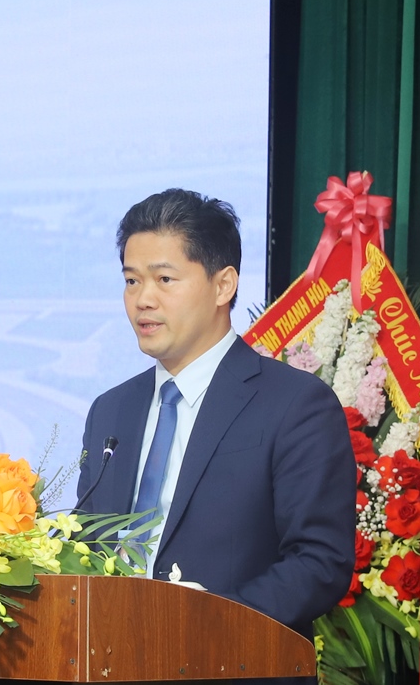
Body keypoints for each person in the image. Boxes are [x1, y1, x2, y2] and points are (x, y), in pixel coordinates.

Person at [77, 188, 355, 645]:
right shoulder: (111, 410)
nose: (143, 299)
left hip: (228, 658)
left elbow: (320, 563)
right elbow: (84, 548)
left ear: (223, 285)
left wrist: (207, 622)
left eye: (164, 279)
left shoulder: (295, 404)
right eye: (131, 281)